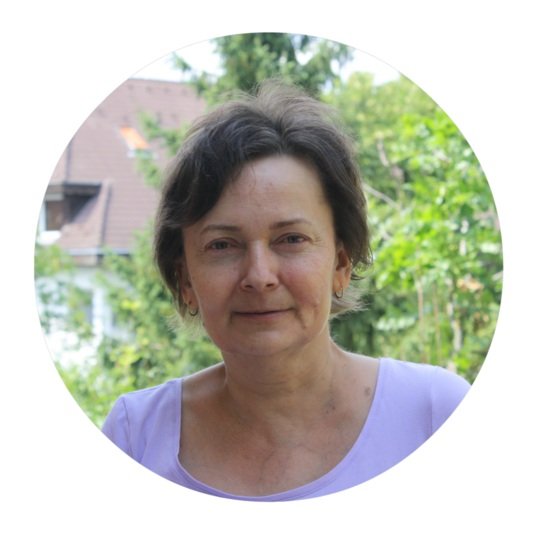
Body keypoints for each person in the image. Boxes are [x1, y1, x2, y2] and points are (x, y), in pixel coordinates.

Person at [102, 80, 470, 501]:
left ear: (341, 263)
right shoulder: (135, 439)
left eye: (291, 239)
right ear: (185, 279)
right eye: (222, 245)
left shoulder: (434, 415)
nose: (259, 276)